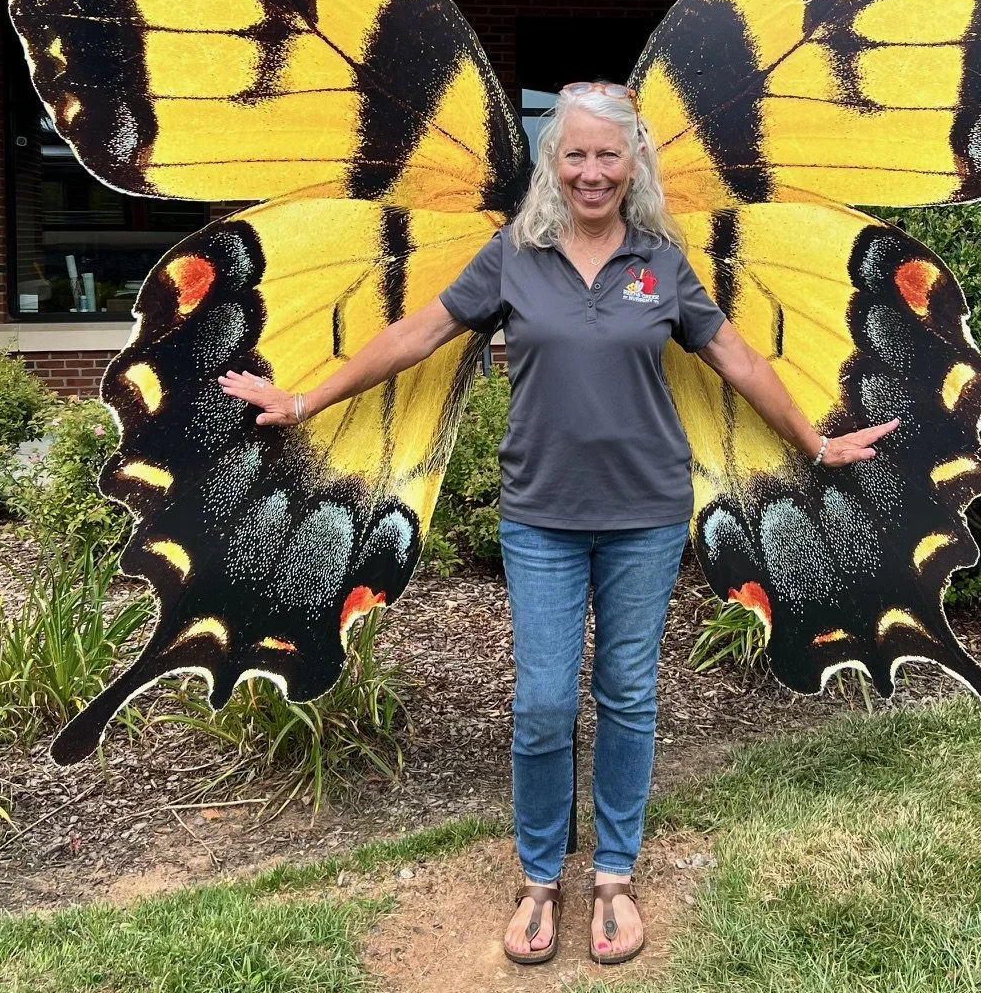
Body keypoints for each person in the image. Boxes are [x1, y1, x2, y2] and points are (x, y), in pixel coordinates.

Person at [219, 80, 897, 966]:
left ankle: (612, 870)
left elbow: (732, 353)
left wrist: (811, 440)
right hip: (540, 515)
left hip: (645, 513)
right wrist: (306, 397)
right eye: (573, 154)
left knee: (627, 696)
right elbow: (418, 334)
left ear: (632, 162)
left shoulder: (660, 260)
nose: (590, 171)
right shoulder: (514, 256)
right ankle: (540, 874)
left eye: (606, 155)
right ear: (553, 163)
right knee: (541, 702)